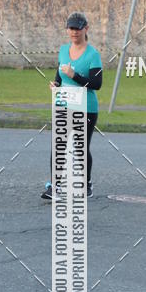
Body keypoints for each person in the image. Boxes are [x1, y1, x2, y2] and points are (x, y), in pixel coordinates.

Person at [41, 12, 102, 200]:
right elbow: (60, 75)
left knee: (81, 147)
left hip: (86, 107)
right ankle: (55, 186)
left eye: (78, 28)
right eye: (71, 28)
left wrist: (75, 75)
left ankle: (87, 184)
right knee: (58, 145)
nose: (74, 32)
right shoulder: (63, 50)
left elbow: (96, 84)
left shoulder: (93, 54)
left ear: (86, 29)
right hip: (64, 103)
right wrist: (56, 84)